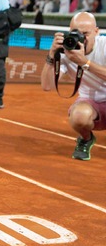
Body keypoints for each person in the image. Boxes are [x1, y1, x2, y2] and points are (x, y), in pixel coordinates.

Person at [40, 12, 106, 161]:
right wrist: (51, 55)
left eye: (86, 33)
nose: (81, 38)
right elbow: (46, 85)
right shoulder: (66, 53)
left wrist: (84, 63)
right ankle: (86, 138)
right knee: (78, 116)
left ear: (97, 31)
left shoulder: (104, 46)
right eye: (76, 33)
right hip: (91, 104)